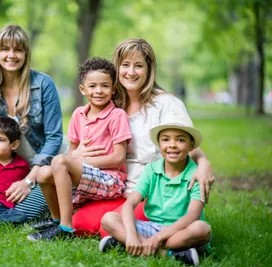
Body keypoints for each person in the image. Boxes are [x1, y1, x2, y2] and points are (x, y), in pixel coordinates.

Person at [71, 38, 215, 237]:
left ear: (149, 69)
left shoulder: (166, 104)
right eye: (125, 65)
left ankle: (158, 240)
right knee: (79, 222)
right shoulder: (111, 104)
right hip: (118, 189)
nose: (131, 72)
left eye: (138, 66)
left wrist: (204, 163)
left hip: (151, 192)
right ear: (117, 68)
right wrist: (77, 154)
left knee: (108, 228)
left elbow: (187, 144)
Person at [0, 25, 64, 222]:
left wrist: (28, 181)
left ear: (26, 54)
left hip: (46, 167)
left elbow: (54, 138)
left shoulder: (44, 84)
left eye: (18, 49)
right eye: (5, 49)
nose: (12, 55)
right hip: (11, 169)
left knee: (25, 211)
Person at [27, 57, 132, 241]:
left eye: (105, 86)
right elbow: (70, 155)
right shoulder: (78, 114)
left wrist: (80, 161)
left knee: (58, 161)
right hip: (85, 175)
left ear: (113, 88)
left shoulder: (117, 115)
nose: (98, 91)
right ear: (83, 89)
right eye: (92, 86)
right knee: (43, 173)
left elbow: (118, 158)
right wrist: (74, 159)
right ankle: (56, 220)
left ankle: (66, 230)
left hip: (110, 180)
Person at [99, 114, 211, 266]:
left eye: (180, 139)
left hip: (181, 230)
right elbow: (129, 204)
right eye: (166, 139)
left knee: (202, 229)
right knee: (109, 218)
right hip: (152, 227)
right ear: (159, 144)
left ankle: (131, 246)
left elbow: (192, 216)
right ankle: (168, 252)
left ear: (191, 145)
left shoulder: (196, 174)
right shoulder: (151, 169)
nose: (172, 145)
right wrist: (132, 234)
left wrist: (157, 239)